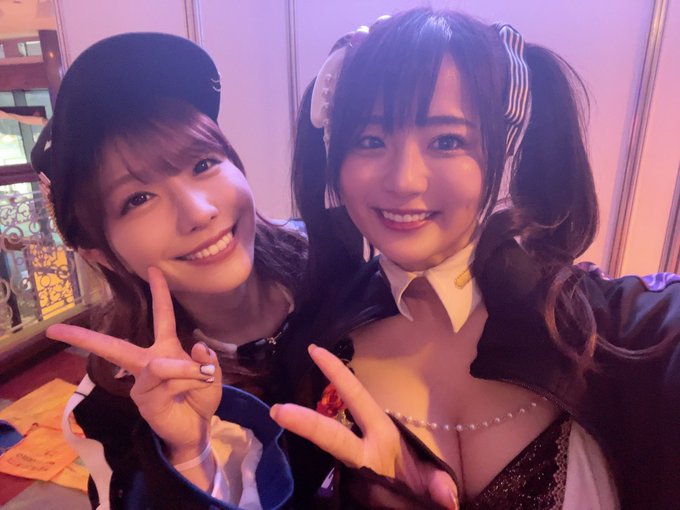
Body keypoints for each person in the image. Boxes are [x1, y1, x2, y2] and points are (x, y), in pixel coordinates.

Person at [271, 8, 680, 509]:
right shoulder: (318, 347)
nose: (404, 180)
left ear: (498, 150)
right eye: (370, 140)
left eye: (447, 141)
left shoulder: (612, 328)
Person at [36, 33, 303, 509]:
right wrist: (187, 453)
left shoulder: (338, 273)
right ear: (102, 253)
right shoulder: (117, 398)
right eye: (138, 199)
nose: (198, 212)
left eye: (203, 163)